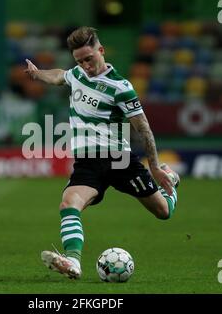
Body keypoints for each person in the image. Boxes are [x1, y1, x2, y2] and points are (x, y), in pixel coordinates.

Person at [25, 26, 180, 279]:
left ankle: (171, 181)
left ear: (101, 50)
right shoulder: (77, 74)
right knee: (68, 203)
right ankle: (73, 261)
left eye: (89, 58)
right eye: (79, 61)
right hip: (88, 163)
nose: (85, 65)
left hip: (120, 161)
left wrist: (155, 167)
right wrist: (38, 73)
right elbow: (59, 76)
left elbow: (144, 128)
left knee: (163, 212)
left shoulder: (120, 87)